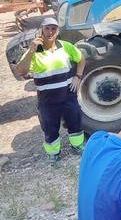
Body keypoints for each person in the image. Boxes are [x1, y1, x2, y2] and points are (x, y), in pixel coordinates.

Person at [14, 17, 85, 161]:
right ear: (41, 31)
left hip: (68, 95)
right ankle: (53, 154)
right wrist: (31, 50)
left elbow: (81, 59)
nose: (50, 31)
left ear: (58, 31)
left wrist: (78, 76)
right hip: (47, 100)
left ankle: (77, 146)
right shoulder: (34, 51)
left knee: (75, 121)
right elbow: (20, 71)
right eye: (47, 28)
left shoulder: (66, 46)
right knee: (50, 127)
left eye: (53, 28)